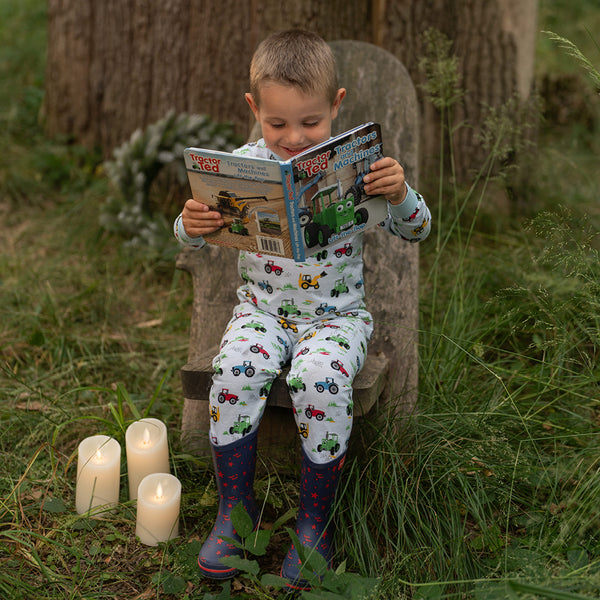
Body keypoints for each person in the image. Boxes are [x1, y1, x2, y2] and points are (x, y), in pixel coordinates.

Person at [174, 29, 431, 590]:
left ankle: (315, 524)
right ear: (254, 108)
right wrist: (190, 225)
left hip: (334, 321)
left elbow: (418, 230)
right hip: (261, 313)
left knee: (319, 380)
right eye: (278, 123)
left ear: (337, 104)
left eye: (311, 122)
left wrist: (400, 193)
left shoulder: (362, 170)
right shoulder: (241, 170)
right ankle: (234, 517)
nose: (294, 137)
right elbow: (190, 235)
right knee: (232, 373)